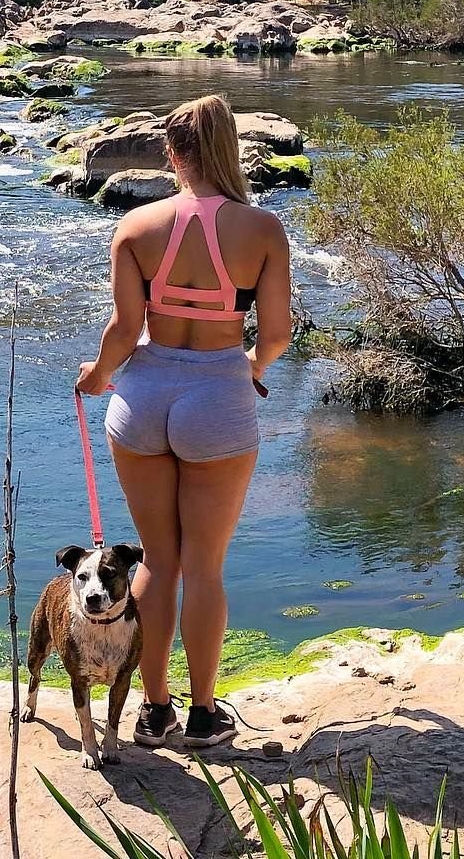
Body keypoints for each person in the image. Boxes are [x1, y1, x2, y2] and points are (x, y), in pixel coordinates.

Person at [77, 95, 292, 748]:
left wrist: (97, 376)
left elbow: (125, 330)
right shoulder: (262, 229)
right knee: (204, 567)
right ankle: (202, 716)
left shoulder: (136, 226)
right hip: (218, 398)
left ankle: (152, 711)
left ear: (171, 154)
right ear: (230, 148)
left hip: (142, 399)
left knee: (156, 560)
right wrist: (251, 365)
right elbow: (276, 335)